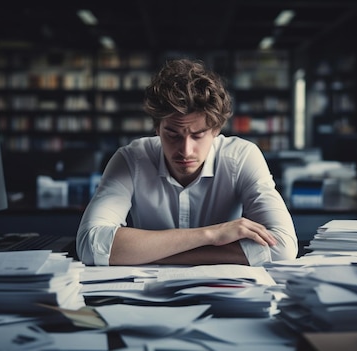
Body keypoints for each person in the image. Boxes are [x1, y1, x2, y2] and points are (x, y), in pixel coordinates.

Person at [76, 58, 297, 266]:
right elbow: (90, 244)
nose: (185, 150)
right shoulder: (131, 159)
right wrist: (212, 234)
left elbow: (283, 247)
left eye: (198, 135)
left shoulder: (242, 157)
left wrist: (147, 253)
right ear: (157, 129)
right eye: (172, 134)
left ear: (216, 130)